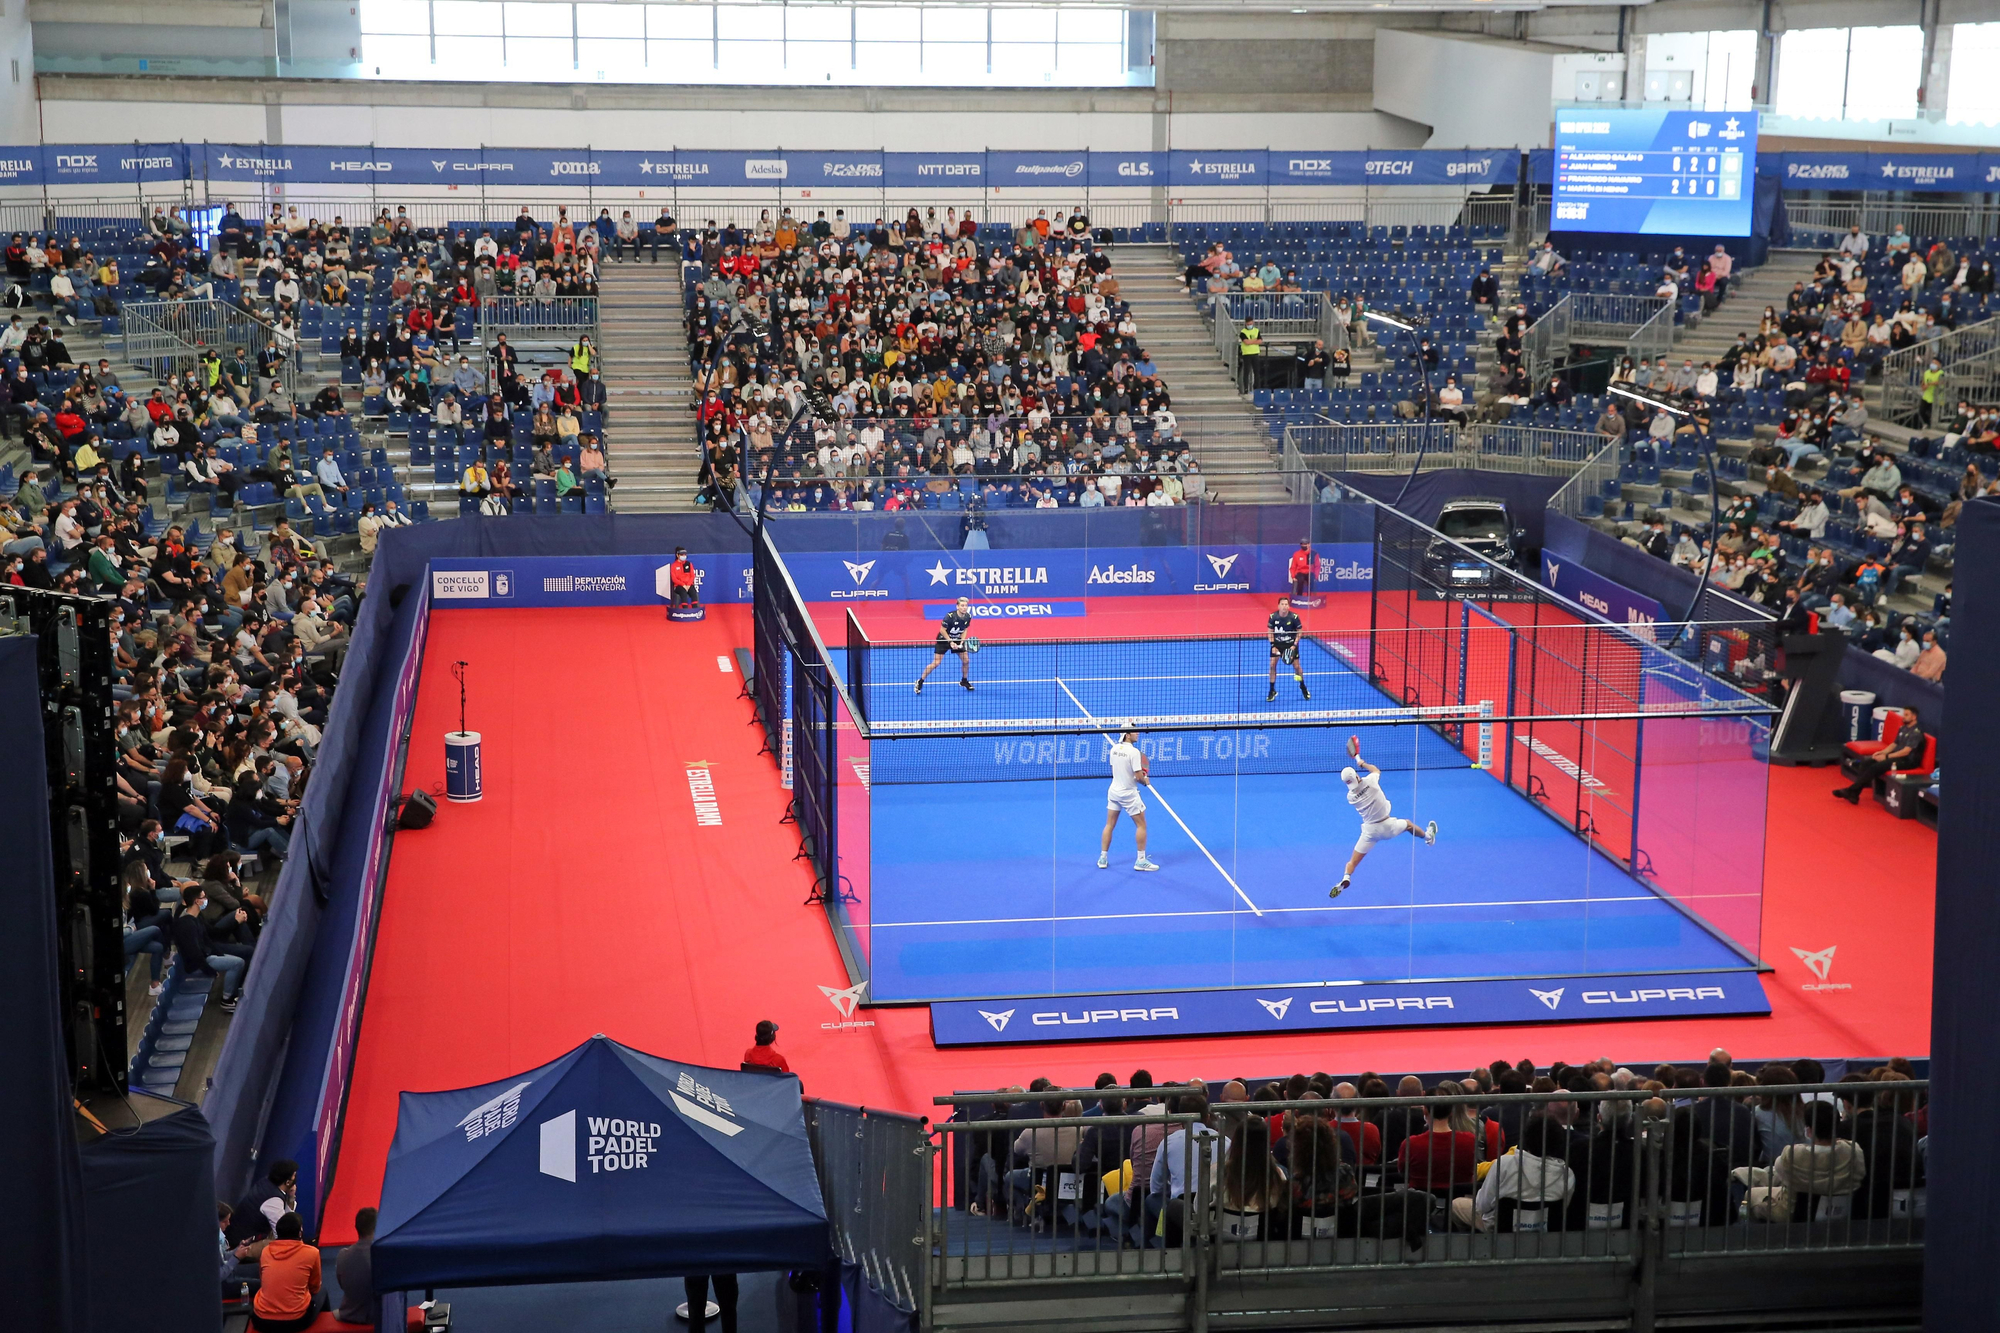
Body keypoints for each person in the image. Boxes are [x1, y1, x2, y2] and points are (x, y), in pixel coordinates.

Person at [1330, 746, 1436, 898]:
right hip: (1388, 827)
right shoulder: (1371, 781)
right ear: (1357, 776)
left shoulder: (1350, 797)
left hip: (1370, 833)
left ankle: (1346, 877)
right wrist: (1361, 762)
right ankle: (1428, 838)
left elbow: (1360, 785)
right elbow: (1376, 770)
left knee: (1352, 861)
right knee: (1408, 824)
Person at [1832, 706, 1926, 804]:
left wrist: (1886, 757)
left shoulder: (1916, 733)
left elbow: (1906, 752)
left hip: (1908, 761)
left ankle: (1851, 791)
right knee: (1866, 763)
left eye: (1906, 715)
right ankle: (1854, 793)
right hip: (1896, 757)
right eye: (1904, 714)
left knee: (1876, 767)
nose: (1903, 717)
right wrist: (1882, 752)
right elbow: (1894, 744)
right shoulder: (1903, 728)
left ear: (1914, 717)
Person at [1098, 722, 1158, 872]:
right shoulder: (1134, 752)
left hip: (1113, 791)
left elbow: (1116, 770)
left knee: (1109, 825)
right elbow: (1138, 777)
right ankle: (1141, 860)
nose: (1137, 733)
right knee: (1141, 825)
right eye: (1134, 731)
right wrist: (1145, 781)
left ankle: (1103, 858)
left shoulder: (1114, 749)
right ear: (1127, 734)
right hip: (1128, 794)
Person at [250, 1212, 322, 1332]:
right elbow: (315, 1287)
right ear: (300, 1232)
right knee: (321, 1293)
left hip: (261, 1321)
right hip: (295, 1321)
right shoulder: (312, 1253)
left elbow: (263, 1281)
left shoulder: (266, 1251)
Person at [915, 595, 974, 693]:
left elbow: (965, 629)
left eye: (965, 606)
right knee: (936, 663)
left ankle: (964, 681)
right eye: (962, 605)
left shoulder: (968, 616)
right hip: (943, 640)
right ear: (957, 606)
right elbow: (942, 630)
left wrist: (961, 642)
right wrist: (950, 642)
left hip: (957, 640)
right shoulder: (950, 617)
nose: (964, 607)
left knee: (966, 660)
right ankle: (920, 681)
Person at [333, 1207, 378, 1327]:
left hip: (348, 1315)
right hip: (377, 1317)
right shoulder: (383, 1257)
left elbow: (343, 1285)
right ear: (377, 1228)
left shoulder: (342, 1255)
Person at [1266, 595, 1310, 702]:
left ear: (1288, 606)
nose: (1284, 606)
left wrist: (1294, 645)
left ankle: (1303, 686)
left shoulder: (1294, 617)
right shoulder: (1273, 617)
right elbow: (1270, 632)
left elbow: (1300, 631)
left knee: (1296, 666)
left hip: (1291, 645)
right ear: (1278, 605)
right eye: (1282, 604)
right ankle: (1272, 690)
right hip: (1277, 645)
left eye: (1286, 604)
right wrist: (1273, 645)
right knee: (1272, 665)